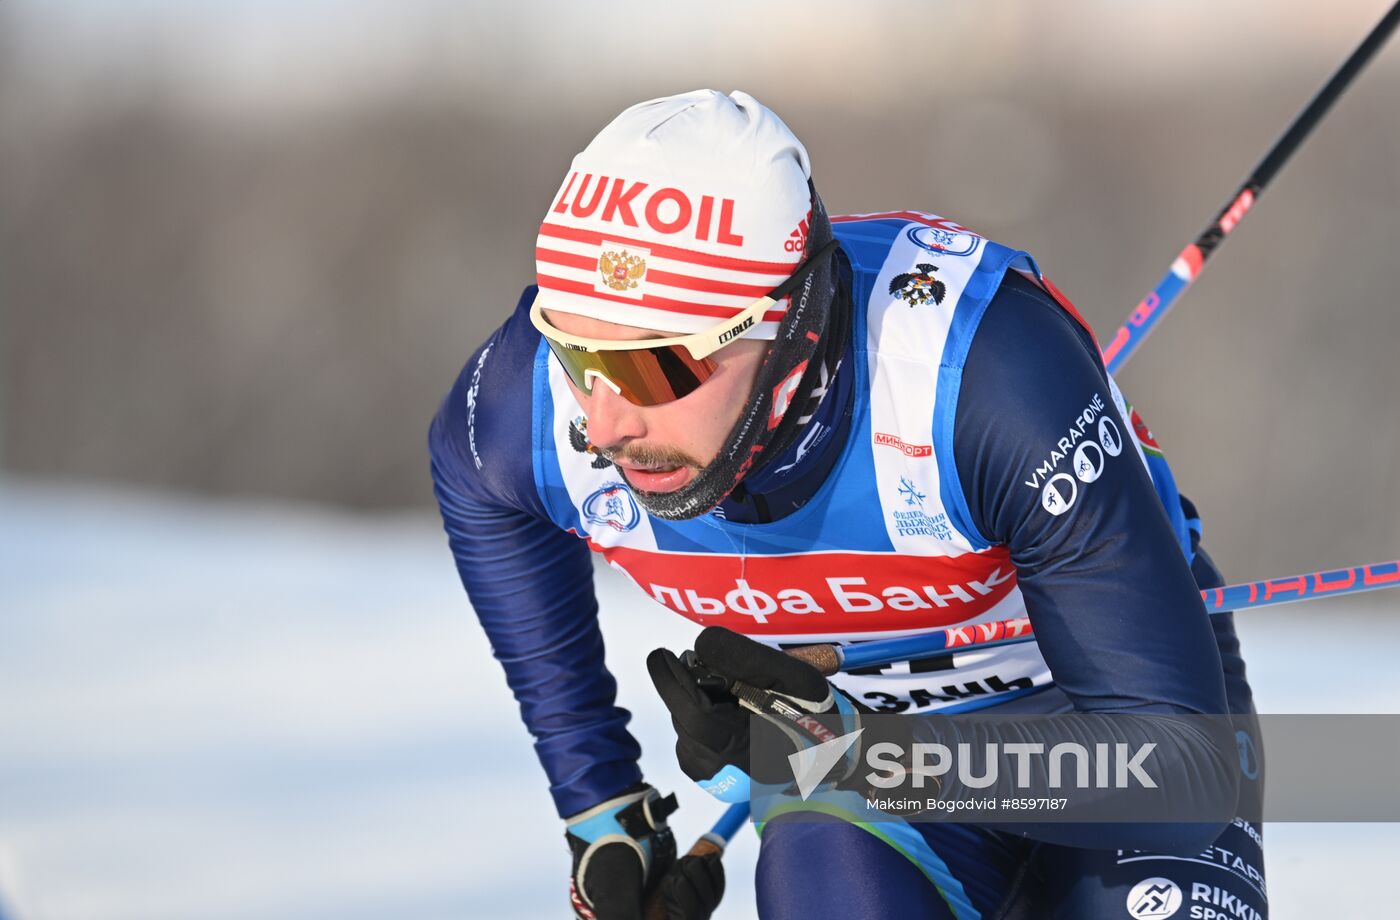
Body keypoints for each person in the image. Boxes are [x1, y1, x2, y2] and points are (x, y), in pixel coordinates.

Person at [429, 90, 1266, 919]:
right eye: (577, 356)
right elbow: (471, 482)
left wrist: (856, 756)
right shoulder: (534, 408)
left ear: (781, 333)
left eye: (652, 370)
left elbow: (1175, 776)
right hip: (857, 759)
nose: (605, 422)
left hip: (1103, 721)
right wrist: (600, 802)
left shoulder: (984, 380)